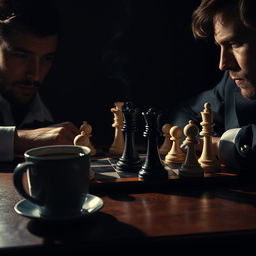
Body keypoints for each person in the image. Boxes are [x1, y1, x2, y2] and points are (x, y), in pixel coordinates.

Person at [168, 0, 256, 170]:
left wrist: (220, 145)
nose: (223, 64)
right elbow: (186, 111)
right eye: (221, 46)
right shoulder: (231, 84)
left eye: (234, 44)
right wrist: (203, 142)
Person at [0, 0, 80, 161]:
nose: (35, 75)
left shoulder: (65, 101)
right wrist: (22, 139)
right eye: (21, 56)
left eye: (46, 58)